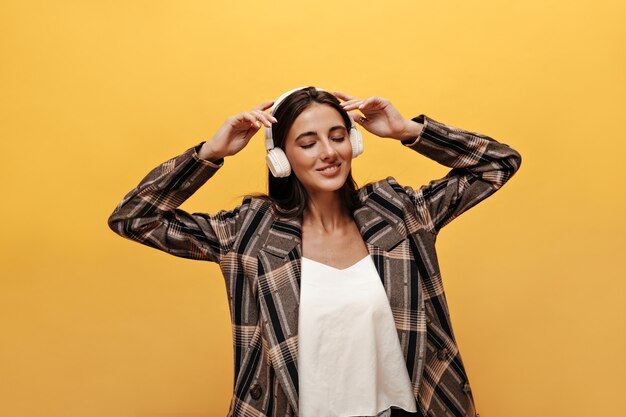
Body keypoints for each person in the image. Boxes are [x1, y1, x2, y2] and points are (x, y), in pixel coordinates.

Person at [108, 87, 522, 417]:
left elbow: (497, 164)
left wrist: (408, 130)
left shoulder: (400, 214)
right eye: (307, 143)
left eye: (338, 136)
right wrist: (209, 154)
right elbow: (134, 218)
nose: (328, 152)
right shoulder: (249, 234)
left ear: (354, 143)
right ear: (280, 159)